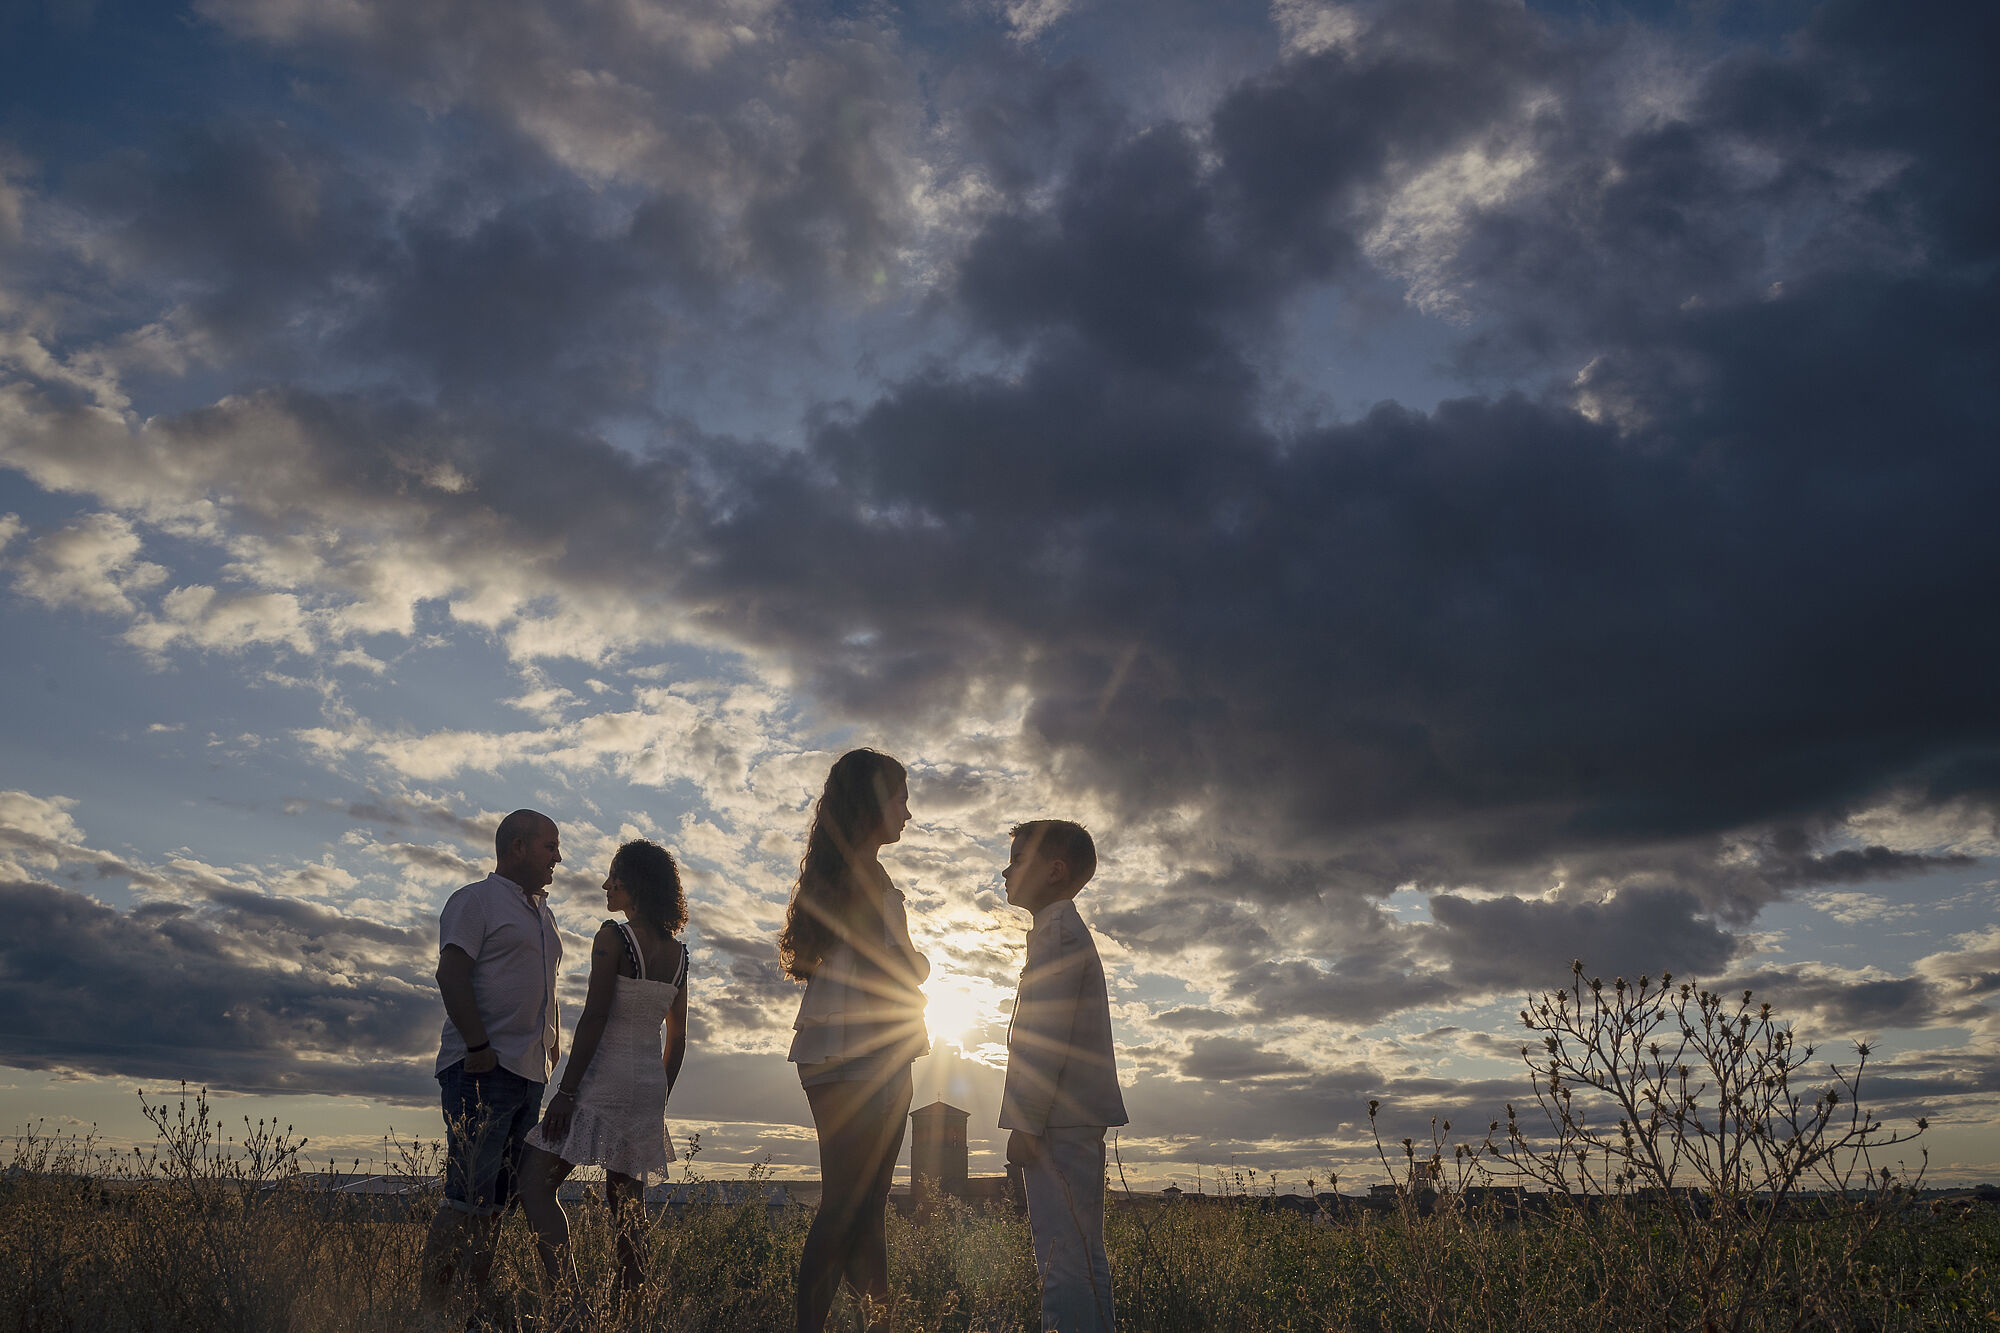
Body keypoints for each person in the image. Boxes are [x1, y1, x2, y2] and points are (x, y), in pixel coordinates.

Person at [781, 749, 930, 1333]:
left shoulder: (849, 869)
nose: (908, 814)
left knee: (860, 1208)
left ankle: (876, 1324)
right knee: (852, 1207)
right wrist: (919, 965)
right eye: (902, 799)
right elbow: (887, 968)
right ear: (874, 801)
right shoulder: (865, 874)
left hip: (842, 1050)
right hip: (867, 1052)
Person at [519, 839, 689, 1304]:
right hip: (648, 1087)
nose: (605, 884)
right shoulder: (679, 956)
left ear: (635, 884)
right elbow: (677, 1041)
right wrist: (657, 1101)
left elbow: (594, 1017)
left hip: (601, 1080)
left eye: (614, 876)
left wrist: (567, 1092)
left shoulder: (612, 937)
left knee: (534, 1182)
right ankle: (631, 1312)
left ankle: (566, 1299)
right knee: (627, 1207)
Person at [420, 809, 565, 1331]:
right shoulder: (474, 901)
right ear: (519, 846)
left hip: (527, 1076)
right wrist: (479, 1046)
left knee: (496, 1205)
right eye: (550, 846)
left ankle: (470, 1313)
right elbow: (450, 971)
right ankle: (430, 1315)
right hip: (482, 1069)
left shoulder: (543, 915)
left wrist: (551, 1049)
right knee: (466, 1198)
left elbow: (545, 988)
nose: (558, 857)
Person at [999, 819, 1127, 1333]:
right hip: (1070, 1118)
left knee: (1061, 1259)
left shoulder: (1056, 934)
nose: (1006, 870)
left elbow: (1041, 1035)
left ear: (1055, 871)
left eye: (1017, 860)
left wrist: (1025, 1122)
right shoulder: (1059, 932)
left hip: (1057, 1120)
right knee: (1078, 1254)